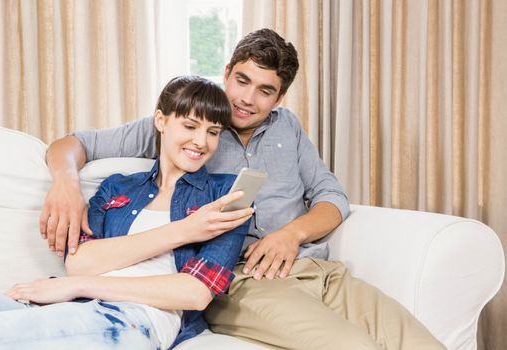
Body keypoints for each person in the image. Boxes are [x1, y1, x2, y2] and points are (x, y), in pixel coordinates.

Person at [41, 29, 445, 349]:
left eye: (265, 90)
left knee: (424, 344)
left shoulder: (288, 128)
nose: (247, 99)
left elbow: (332, 196)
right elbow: (76, 143)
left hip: (316, 270)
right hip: (242, 280)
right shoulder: (191, 127)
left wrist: (292, 234)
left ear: (280, 96)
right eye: (242, 81)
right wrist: (66, 182)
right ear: (228, 71)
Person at [0, 76, 254, 350]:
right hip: (71, 307)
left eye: (213, 132)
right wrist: (184, 230)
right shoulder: (117, 186)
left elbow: (195, 293)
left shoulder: (225, 194)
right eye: (190, 126)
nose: (201, 142)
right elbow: (79, 263)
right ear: (161, 121)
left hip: (133, 319)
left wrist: (78, 286)